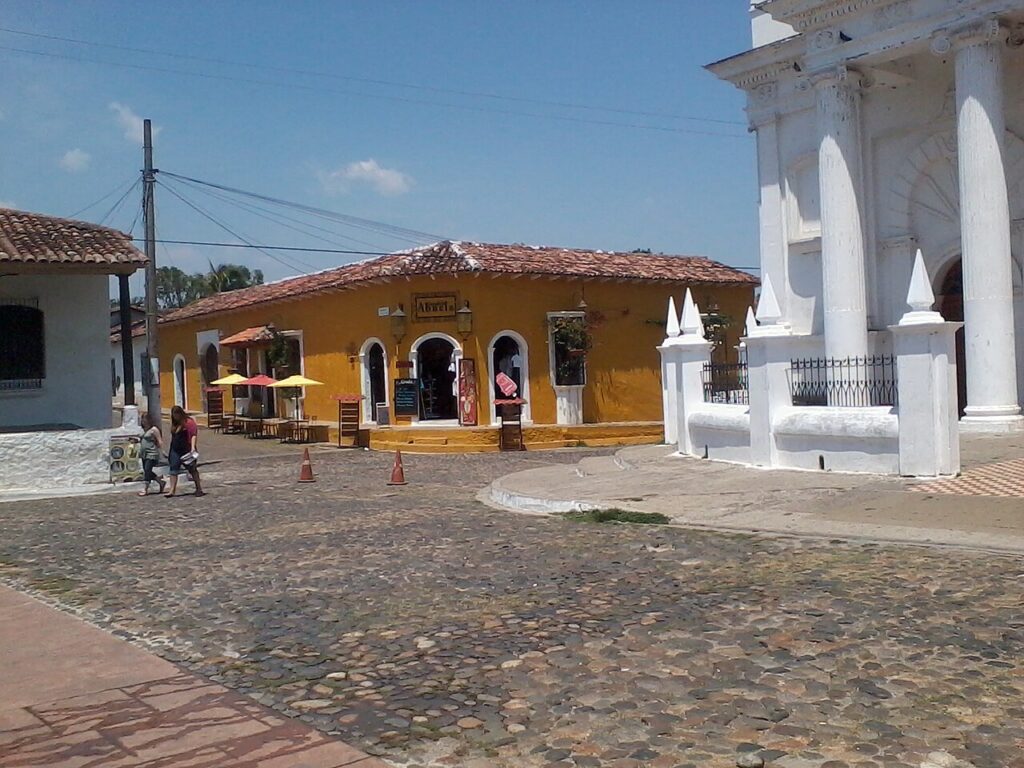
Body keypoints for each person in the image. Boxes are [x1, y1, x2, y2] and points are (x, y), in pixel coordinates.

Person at [165, 405, 204, 498]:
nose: (175, 417)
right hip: (175, 449)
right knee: (173, 469)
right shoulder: (175, 424)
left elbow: (193, 435)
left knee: (192, 469)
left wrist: (192, 448)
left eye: (177, 414)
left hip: (186, 449)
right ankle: (172, 490)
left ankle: (198, 488)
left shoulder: (189, 422)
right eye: (174, 415)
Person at [138, 413, 166, 496]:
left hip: (152, 453)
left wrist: (162, 451)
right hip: (144, 453)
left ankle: (145, 489)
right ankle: (160, 482)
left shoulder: (154, 429)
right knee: (147, 471)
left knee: (147, 470)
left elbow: (160, 441)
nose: (143, 421)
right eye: (142, 419)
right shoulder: (143, 429)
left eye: (145, 419)